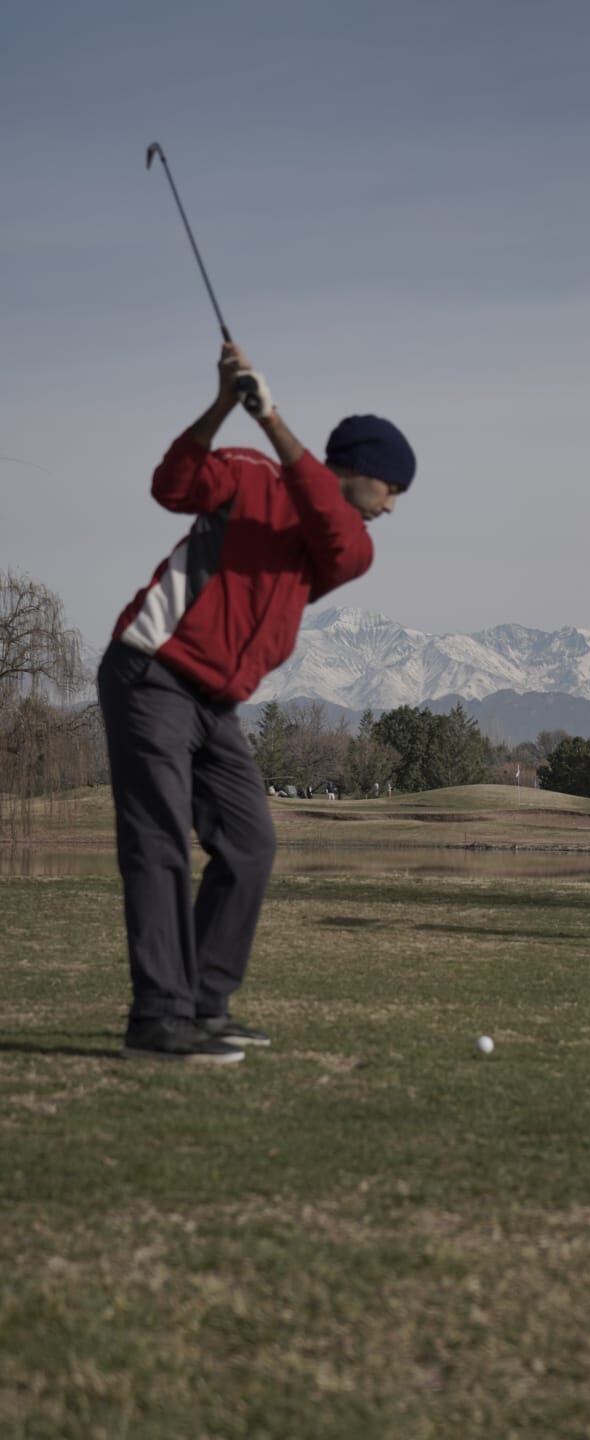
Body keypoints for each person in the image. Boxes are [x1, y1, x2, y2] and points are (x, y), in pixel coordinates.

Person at [97, 343, 416, 1064]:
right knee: (158, 843)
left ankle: (204, 1005)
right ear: (360, 472)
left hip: (215, 703)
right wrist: (222, 405)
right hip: (151, 672)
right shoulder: (247, 476)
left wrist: (268, 415)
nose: (393, 505)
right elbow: (170, 484)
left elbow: (330, 523)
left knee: (250, 843)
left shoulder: (348, 545)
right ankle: (159, 1017)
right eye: (393, 488)